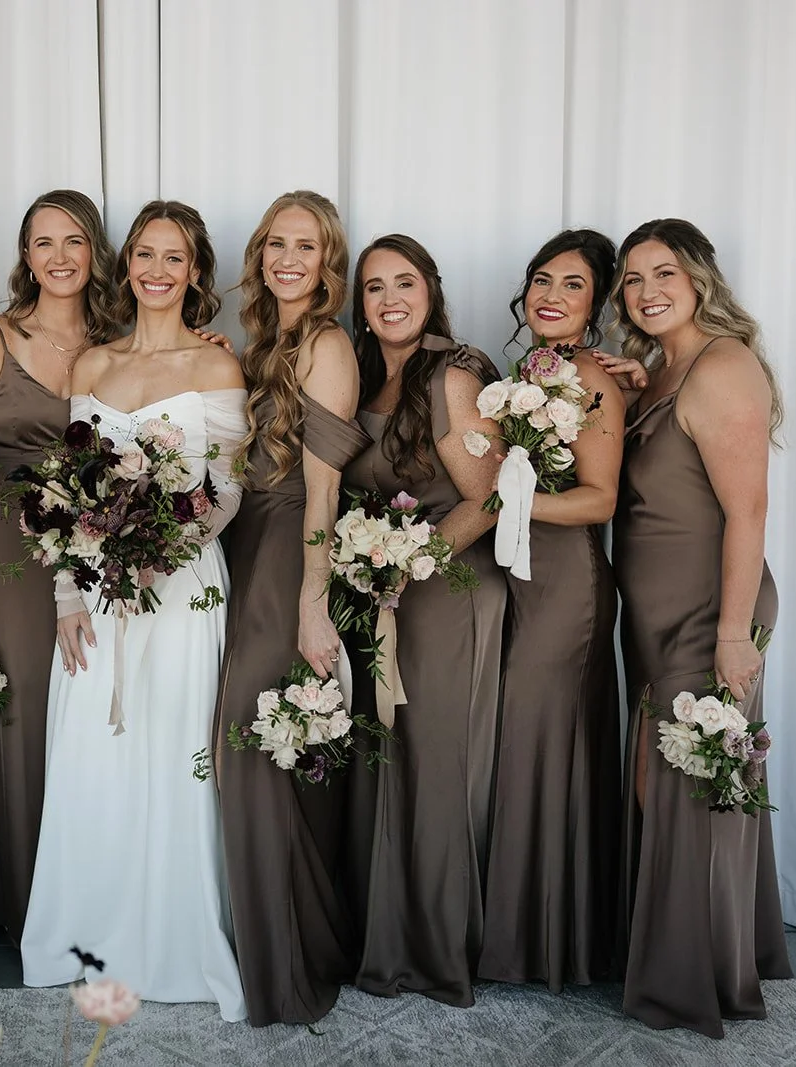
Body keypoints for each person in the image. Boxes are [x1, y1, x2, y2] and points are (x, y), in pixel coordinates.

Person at [20, 200, 248, 1022]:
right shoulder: (92, 366)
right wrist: (69, 591)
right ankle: (86, 935)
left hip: (182, 587)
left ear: (194, 272)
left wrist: (156, 555)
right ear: (129, 266)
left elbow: (224, 490)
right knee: (95, 751)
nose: (156, 269)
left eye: (174, 257)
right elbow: (67, 490)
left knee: (169, 743)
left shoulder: (219, 366)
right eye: (145, 254)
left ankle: (173, 939)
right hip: (94, 590)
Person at [612, 217, 791, 1038]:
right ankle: (714, 946)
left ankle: (691, 979)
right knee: (669, 789)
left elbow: (746, 511)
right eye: (633, 278)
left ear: (699, 279)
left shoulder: (723, 364)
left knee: (686, 789)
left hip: (707, 613)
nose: (647, 291)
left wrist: (730, 635)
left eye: (664, 273)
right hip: (655, 617)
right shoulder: (662, 370)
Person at [0, 191, 120, 944]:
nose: (60, 256)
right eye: (44, 243)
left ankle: (68, 896)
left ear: (94, 251)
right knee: (10, 708)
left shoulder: (121, 339)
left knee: (74, 714)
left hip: (88, 546)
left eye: (74, 240)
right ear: (26, 257)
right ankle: (1, 900)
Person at [212, 191, 369, 1025]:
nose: (287, 258)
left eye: (304, 246)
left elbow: (324, 491)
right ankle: (265, 940)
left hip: (287, 555)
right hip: (244, 546)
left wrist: (314, 603)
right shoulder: (264, 341)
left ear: (327, 261)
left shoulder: (327, 342)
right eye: (276, 242)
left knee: (255, 740)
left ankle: (292, 957)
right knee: (248, 742)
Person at [341, 234, 507, 1008]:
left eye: (403, 282)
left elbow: (489, 495)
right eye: (374, 288)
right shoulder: (368, 372)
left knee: (437, 765)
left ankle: (437, 949)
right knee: (387, 762)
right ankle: (387, 936)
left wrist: (407, 562)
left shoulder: (453, 373)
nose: (389, 299)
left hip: (448, 589)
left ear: (432, 288)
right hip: (385, 591)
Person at [478, 229, 624, 991]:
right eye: (542, 279)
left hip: (567, 581)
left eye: (572, 285)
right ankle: (528, 928)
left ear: (596, 302)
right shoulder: (533, 369)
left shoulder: (592, 374)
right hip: (523, 575)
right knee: (521, 740)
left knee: (545, 740)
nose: (551, 295)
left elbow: (598, 498)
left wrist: (515, 495)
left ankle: (545, 940)